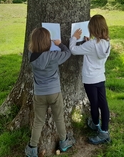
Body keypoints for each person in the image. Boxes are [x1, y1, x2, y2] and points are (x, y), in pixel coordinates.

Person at [25, 27, 75, 157]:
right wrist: (60, 44)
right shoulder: (54, 56)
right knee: (59, 118)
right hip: (54, 92)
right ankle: (64, 142)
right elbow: (68, 53)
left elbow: (36, 52)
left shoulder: (30, 55)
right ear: (48, 41)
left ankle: (32, 148)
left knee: (38, 121)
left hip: (39, 94)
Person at [69, 14, 111, 145]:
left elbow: (73, 50)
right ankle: (104, 130)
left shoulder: (91, 45)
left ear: (93, 29)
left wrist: (74, 38)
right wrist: (88, 43)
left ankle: (95, 124)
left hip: (89, 79)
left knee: (94, 103)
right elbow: (95, 51)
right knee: (103, 104)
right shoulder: (107, 42)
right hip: (100, 77)